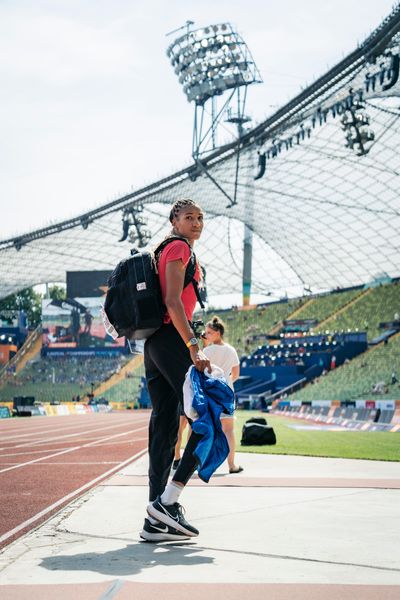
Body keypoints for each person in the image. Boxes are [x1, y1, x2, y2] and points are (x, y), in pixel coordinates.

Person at [140, 198, 211, 543]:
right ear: (174, 220)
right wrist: (193, 347)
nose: (196, 222)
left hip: (155, 344)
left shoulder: (166, 248)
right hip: (169, 339)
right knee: (208, 415)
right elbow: (172, 302)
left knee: (166, 426)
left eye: (200, 217)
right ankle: (168, 501)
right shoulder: (179, 247)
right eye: (189, 217)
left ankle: (154, 519)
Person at [203, 316, 242, 474]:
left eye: (209, 333)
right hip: (226, 391)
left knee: (209, 429)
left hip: (211, 392)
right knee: (229, 430)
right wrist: (226, 381)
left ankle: (205, 465)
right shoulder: (231, 350)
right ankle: (232, 465)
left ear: (218, 333)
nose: (206, 336)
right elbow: (236, 374)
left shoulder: (206, 351)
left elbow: (202, 373)